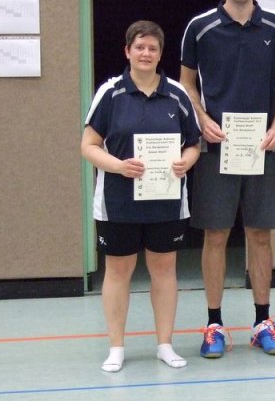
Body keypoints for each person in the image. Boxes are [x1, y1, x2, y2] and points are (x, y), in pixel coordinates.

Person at [179, 0, 275, 358]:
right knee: (215, 234)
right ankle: (214, 324)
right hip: (218, 147)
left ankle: (263, 322)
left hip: (261, 146)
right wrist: (202, 119)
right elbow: (186, 83)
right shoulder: (200, 27)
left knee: (260, 234)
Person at [81, 20, 201, 372]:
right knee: (118, 271)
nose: (146, 53)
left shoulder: (177, 94)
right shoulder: (110, 93)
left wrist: (186, 162)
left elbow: (193, 144)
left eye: (153, 48)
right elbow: (88, 146)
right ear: (127, 51)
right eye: (139, 47)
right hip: (118, 203)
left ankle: (165, 344)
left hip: (166, 202)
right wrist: (118, 166)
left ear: (160, 54)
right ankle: (116, 347)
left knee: (164, 271)